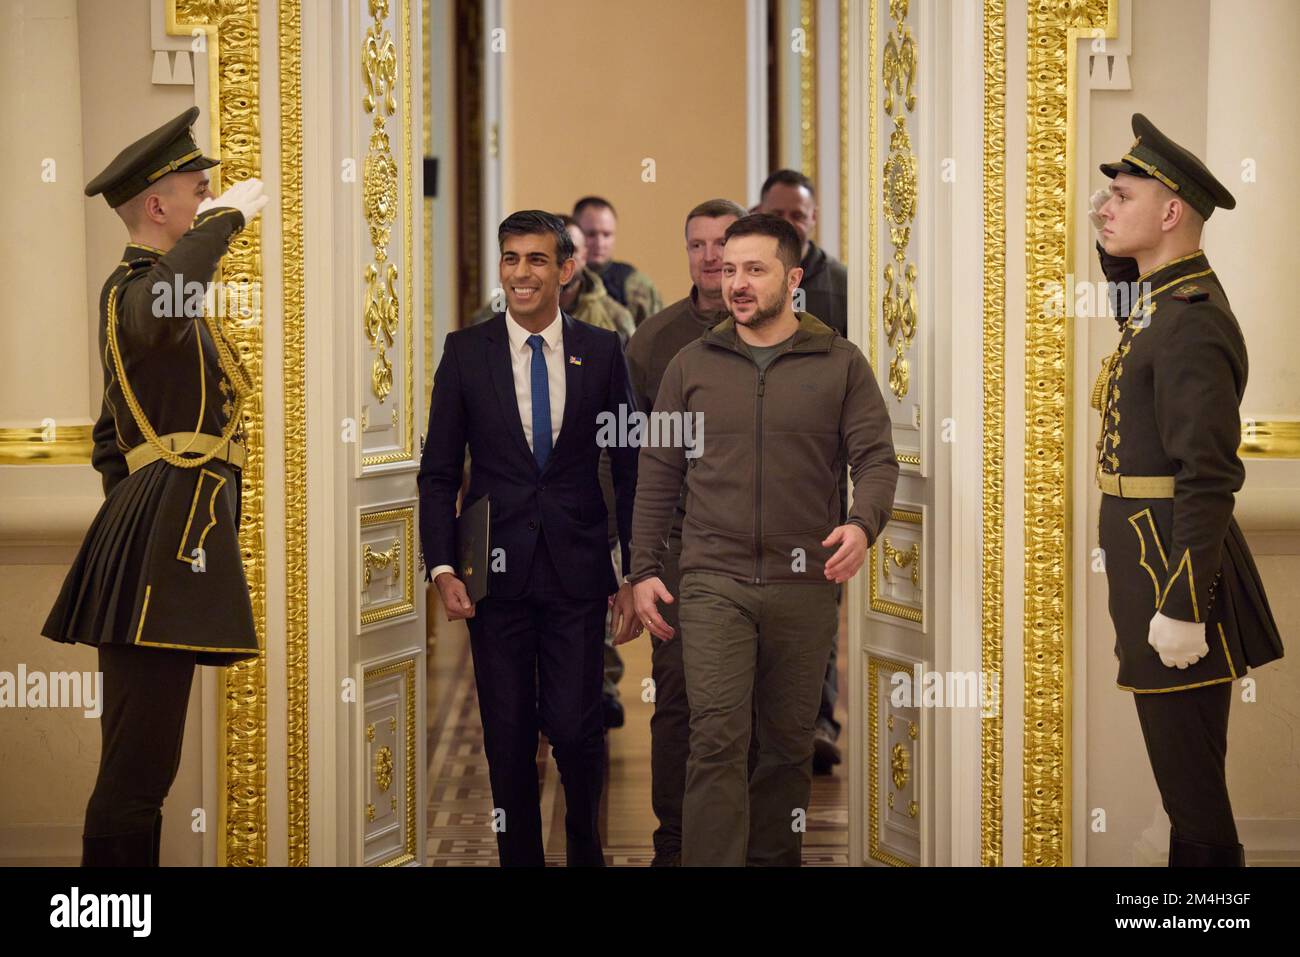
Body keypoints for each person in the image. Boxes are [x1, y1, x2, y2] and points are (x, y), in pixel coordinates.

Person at [629, 214, 898, 866]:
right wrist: (642, 569)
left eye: (754, 269)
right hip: (712, 582)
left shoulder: (841, 363)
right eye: (729, 270)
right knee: (716, 737)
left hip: (805, 587)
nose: (737, 283)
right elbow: (658, 471)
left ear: (793, 278)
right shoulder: (692, 364)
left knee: (785, 746)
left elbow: (878, 459)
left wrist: (863, 525)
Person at [42, 106, 269, 866]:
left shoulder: (150, 295)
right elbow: (156, 316)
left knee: (145, 770)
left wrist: (139, 522)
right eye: (197, 192)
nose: (207, 201)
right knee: (137, 775)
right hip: (160, 548)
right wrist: (227, 222)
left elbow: (113, 443)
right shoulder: (136, 289)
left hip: (162, 542)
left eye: (211, 196)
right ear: (157, 205)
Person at [418, 210, 639, 866]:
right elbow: (438, 473)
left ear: (565, 269)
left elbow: (628, 467)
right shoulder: (465, 352)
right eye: (510, 258)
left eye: (536, 259)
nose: (521, 272)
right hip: (494, 574)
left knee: (577, 728)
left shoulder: (601, 353)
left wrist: (632, 569)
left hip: (577, 571)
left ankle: (583, 850)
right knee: (507, 739)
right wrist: (441, 567)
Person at [1091, 113, 1283, 867]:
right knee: (1184, 787)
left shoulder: (1192, 321)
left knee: (1195, 798)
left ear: (1171, 212)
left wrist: (1182, 601)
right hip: (1148, 565)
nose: (1103, 208)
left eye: (1121, 195)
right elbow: (1125, 306)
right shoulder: (1159, 303)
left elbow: (1208, 476)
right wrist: (1113, 246)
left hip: (1172, 571)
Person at [624, 197, 744, 865]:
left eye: (721, 241)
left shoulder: (786, 331)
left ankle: (748, 841)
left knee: (750, 704)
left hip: (761, 548)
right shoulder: (656, 340)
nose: (709, 255)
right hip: (677, 547)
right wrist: (639, 563)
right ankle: (672, 841)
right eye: (696, 243)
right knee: (678, 696)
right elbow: (639, 460)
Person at [758, 169, 849, 771]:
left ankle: (817, 720)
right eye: (780, 214)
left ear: (813, 221)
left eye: (800, 215)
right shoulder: (751, 279)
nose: (792, 223)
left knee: (817, 599)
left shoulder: (840, 283)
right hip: (759, 466)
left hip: (820, 466)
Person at [573, 196, 663, 325]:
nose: (600, 243)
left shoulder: (636, 285)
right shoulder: (560, 283)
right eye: (591, 234)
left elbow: (657, 336)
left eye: (607, 234)